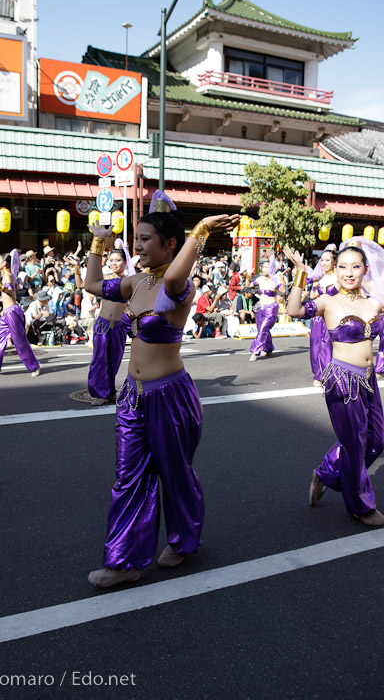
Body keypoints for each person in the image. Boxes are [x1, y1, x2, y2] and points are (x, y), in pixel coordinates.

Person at [85, 190, 239, 588]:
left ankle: (186, 540)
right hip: (133, 397)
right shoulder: (135, 282)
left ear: (170, 243)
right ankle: (125, 562)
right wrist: (98, 242)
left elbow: (172, 276)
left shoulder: (181, 288)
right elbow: (92, 284)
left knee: (174, 474)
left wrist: (201, 232)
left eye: (146, 239)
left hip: (170, 398)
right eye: (135, 239)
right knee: (128, 477)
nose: (137, 246)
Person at [284, 238, 384, 526]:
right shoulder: (328, 301)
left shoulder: (374, 302)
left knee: (377, 440)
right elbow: (294, 310)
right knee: (354, 444)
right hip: (342, 381)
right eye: (342, 266)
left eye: (355, 266)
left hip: (368, 382)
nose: (348, 272)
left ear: (366, 269)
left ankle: (327, 472)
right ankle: (360, 505)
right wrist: (301, 273)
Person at [73, 245, 130, 406]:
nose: (114, 263)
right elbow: (81, 286)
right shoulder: (104, 279)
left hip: (119, 327)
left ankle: (110, 391)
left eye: (118, 260)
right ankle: (100, 393)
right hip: (103, 326)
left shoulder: (130, 281)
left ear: (125, 262)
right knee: (100, 360)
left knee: (114, 361)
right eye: (111, 260)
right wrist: (77, 268)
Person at [0, 251, 40, 377]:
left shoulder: (8, 276)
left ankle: (34, 366)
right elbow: (15, 290)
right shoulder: (7, 275)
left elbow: (10, 292)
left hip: (12, 312)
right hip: (7, 312)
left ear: (4, 263)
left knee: (19, 340)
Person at [307, 244, 338, 386]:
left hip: (331, 317)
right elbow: (313, 295)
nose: (324, 263)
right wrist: (313, 286)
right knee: (314, 345)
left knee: (326, 346)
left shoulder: (339, 279)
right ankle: (319, 371)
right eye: (322, 260)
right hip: (318, 317)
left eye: (327, 260)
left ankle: (322, 375)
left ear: (334, 262)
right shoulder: (319, 279)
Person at [249, 257, 283, 362]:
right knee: (261, 329)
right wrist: (247, 277)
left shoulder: (276, 279)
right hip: (260, 306)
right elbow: (248, 287)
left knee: (263, 329)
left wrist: (280, 293)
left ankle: (255, 351)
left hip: (271, 307)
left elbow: (282, 292)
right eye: (263, 267)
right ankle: (268, 348)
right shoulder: (259, 279)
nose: (265, 269)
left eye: (267, 267)